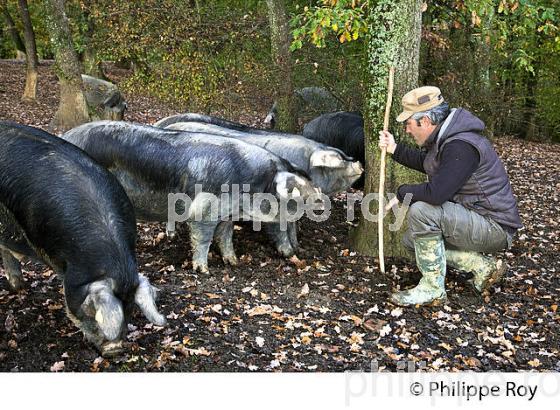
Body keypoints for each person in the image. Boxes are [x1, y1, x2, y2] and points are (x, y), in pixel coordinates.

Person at [378, 86, 522, 306]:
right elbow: (430, 164)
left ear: (425, 121)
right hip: (476, 218)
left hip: (494, 226)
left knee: (422, 211)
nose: (407, 130)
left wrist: (402, 192)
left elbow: (436, 194)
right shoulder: (447, 138)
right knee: (412, 241)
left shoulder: (461, 146)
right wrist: (394, 148)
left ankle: (432, 289)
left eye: (408, 124)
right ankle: (480, 265)